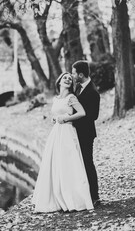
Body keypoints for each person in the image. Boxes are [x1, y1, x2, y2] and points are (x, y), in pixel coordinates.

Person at [32, 72, 94, 213]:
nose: (67, 79)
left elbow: (82, 113)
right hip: (56, 133)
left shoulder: (71, 97)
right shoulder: (56, 99)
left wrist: (65, 118)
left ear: (71, 84)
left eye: (70, 79)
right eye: (65, 78)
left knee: (68, 163)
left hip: (67, 132)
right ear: (59, 81)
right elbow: (56, 114)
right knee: (55, 163)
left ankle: (73, 197)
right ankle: (54, 196)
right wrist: (55, 119)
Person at [71, 60, 100, 206]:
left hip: (86, 134)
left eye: (74, 72)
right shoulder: (78, 87)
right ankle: (83, 193)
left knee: (88, 164)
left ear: (81, 74)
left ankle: (94, 196)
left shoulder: (92, 92)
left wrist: (75, 119)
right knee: (79, 164)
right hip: (76, 133)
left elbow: (94, 115)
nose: (72, 75)